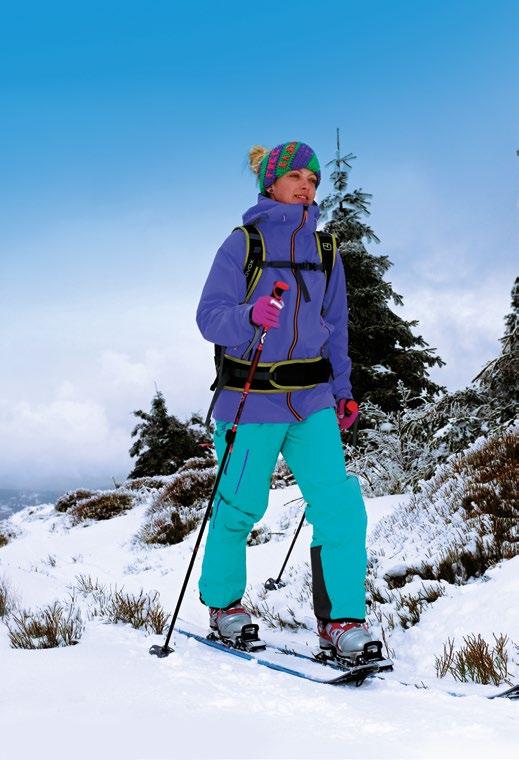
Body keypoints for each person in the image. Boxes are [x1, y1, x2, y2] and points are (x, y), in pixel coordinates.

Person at [196, 140, 373, 658]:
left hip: (313, 399)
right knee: (238, 507)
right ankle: (225, 606)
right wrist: (249, 316)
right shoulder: (242, 245)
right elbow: (209, 317)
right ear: (270, 183)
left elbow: (335, 327)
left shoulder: (326, 251)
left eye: (314, 181)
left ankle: (341, 622)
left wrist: (342, 391)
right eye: (296, 176)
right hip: (251, 398)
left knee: (340, 507)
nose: (306, 187)